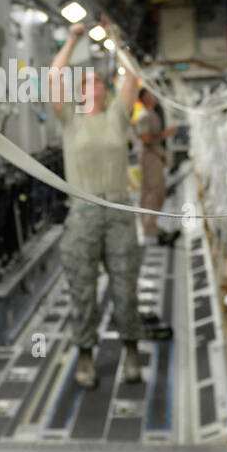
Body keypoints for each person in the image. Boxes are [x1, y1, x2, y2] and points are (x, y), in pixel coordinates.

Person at [48, 23, 170, 391]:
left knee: (125, 288)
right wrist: (72, 40)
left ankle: (131, 350)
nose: (93, 89)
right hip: (83, 214)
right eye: (85, 85)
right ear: (79, 94)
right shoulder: (70, 122)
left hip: (117, 212)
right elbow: (54, 76)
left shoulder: (118, 116)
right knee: (82, 290)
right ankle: (86, 354)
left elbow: (132, 75)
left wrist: (117, 41)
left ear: (105, 90)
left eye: (98, 84)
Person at [134, 88, 179, 245]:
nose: (153, 97)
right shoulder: (144, 116)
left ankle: (149, 222)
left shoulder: (152, 114)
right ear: (144, 98)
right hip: (149, 157)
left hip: (154, 155)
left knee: (154, 189)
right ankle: (148, 224)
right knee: (154, 190)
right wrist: (166, 134)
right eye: (150, 94)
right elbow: (146, 138)